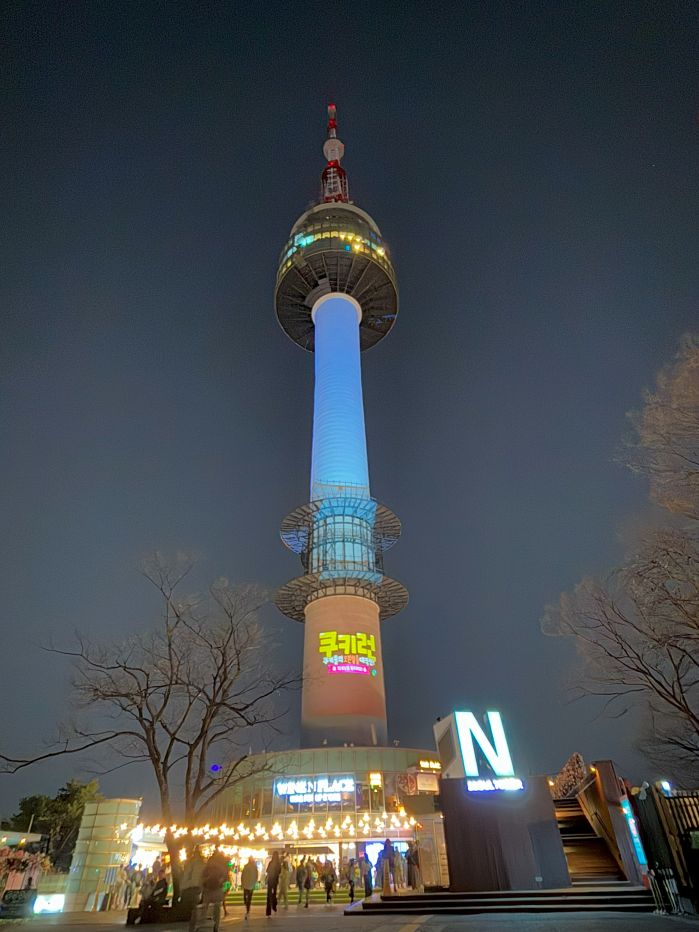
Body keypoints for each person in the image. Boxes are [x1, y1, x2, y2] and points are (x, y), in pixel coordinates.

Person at [201, 849, 228, 932]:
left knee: (206, 907)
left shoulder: (209, 866)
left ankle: (204, 925)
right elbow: (225, 876)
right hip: (216, 888)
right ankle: (215, 926)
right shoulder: (221, 866)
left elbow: (203, 876)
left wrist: (205, 881)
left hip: (209, 888)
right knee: (216, 908)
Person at [180, 847, 205, 917]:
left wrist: (183, 885)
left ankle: (188, 916)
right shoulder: (202, 863)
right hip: (197, 886)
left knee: (189, 903)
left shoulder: (191, 862)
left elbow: (187, 875)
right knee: (193, 904)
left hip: (190, 886)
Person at [241, 855, 258, 921]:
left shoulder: (246, 866)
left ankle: (247, 906)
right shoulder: (254, 867)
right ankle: (248, 907)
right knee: (249, 897)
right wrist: (255, 881)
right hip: (251, 884)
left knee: (245, 896)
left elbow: (243, 875)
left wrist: (242, 882)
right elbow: (256, 875)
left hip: (246, 883)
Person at [265, 851, 281, 916]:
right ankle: (274, 905)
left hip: (270, 880)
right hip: (275, 880)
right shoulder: (278, 863)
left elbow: (267, 870)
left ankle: (268, 911)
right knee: (274, 893)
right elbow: (279, 871)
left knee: (269, 895)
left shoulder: (271, 863)